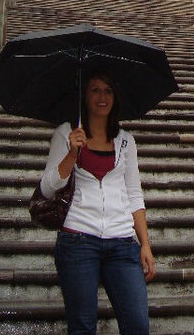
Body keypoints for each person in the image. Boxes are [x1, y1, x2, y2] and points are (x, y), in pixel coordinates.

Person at [40, 71, 155, 335]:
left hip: (123, 242)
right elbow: (47, 188)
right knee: (82, 326)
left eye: (108, 91)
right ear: (84, 96)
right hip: (78, 239)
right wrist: (72, 154)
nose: (102, 97)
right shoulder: (66, 133)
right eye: (95, 90)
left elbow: (134, 193)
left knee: (138, 324)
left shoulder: (126, 141)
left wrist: (145, 244)